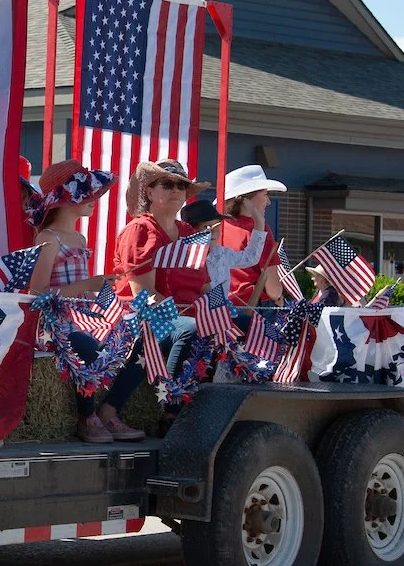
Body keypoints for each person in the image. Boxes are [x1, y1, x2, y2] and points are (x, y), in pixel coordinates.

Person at [27, 159, 144, 444]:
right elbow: (37, 293)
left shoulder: (79, 238)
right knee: (84, 345)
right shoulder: (47, 238)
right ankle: (86, 416)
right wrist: (88, 285)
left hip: (85, 317)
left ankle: (109, 411)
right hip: (56, 325)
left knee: (142, 339)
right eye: (87, 194)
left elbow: (85, 292)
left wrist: (101, 293)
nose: (95, 199)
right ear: (65, 199)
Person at [112, 160, 201, 376]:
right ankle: (168, 394)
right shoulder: (141, 230)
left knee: (244, 323)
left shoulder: (188, 232)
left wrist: (217, 313)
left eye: (181, 185)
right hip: (144, 319)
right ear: (149, 193)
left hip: (185, 315)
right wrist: (193, 317)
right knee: (190, 329)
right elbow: (145, 296)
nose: (176, 190)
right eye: (167, 184)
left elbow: (204, 286)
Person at [220, 165, 286, 306]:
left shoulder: (217, 228)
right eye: (264, 194)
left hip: (220, 308)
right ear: (246, 200)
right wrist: (279, 296)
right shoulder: (259, 231)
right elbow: (273, 290)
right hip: (254, 307)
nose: (268, 201)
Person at [179, 198, 266, 300]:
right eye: (206, 227)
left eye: (216, 226)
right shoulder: (180, 257)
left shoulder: (221, 253)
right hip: (192, 308)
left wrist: (259, 223)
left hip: (220, 308)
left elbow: (250, 258)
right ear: (191, 230)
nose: (213, 232)